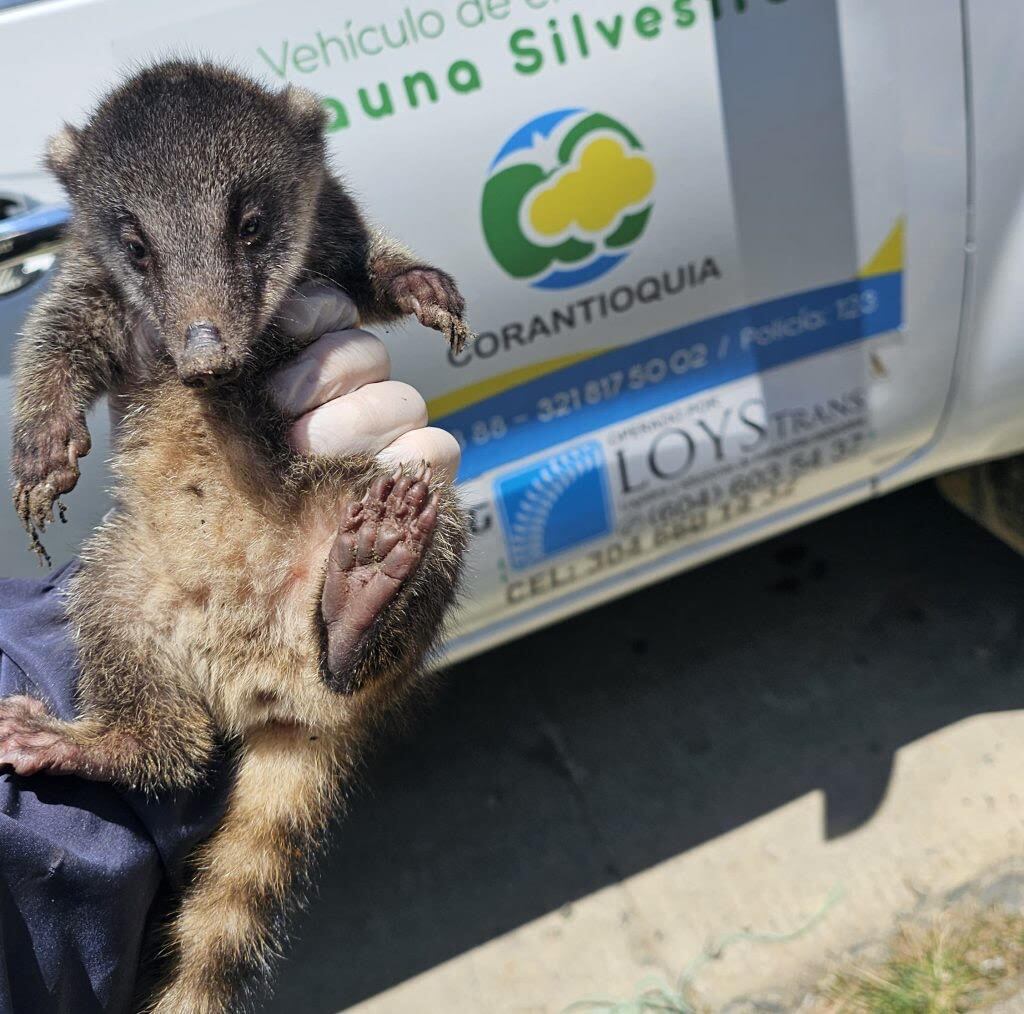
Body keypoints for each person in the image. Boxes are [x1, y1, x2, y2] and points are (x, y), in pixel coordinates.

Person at [0, 285, 460, 1013]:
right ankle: (318, 644)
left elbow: (357, 258)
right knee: (127, 575)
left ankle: (343, 631)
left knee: (406, 499)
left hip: (287, 537)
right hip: (196, 579)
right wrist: (47, 418)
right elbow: (71, 326)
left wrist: (400, 281)